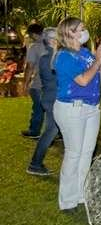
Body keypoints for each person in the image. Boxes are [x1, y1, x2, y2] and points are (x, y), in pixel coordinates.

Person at [53, 17, 101, 213]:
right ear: (70, 32)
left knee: (87, 153)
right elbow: (83, 80)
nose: (84, 31)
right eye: (81, 28)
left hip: (91, 108)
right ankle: (67, 199)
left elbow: (99, 76)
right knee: (74, 153)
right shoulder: (64, 57)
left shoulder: (86, 53)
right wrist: (97, 60)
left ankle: (81, 194)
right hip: (72, 108)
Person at [27, 28, 59, 176]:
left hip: (50, 98)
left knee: (53, 130)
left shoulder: (51, 56)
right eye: (58, 38)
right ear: (52, 41)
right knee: (50, 131)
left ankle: (36, 163)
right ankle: (35, 164)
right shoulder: (48, 58)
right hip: (52, 99)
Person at [22, 23, 45, 138]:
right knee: (53, 110)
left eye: (30, 35)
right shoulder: (53, 45)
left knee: (38, 108)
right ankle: (58, 133)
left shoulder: (34, 47)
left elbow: (29, 67)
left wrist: (25, 84)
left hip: (38, 84)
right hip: (53, 84)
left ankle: (34, 131)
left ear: (34, 34)